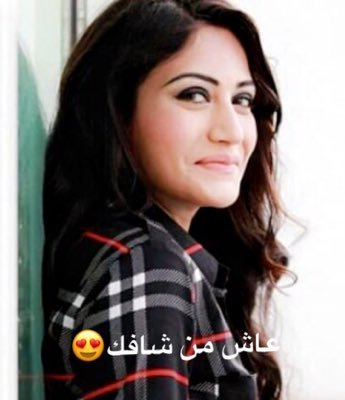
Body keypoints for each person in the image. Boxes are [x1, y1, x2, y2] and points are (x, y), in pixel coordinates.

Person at [41, 0, 290, 399]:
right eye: (194, 94)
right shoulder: (147, 267)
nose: (231, 131)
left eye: (242, 100)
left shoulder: (144, 257)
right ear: (118, 111)